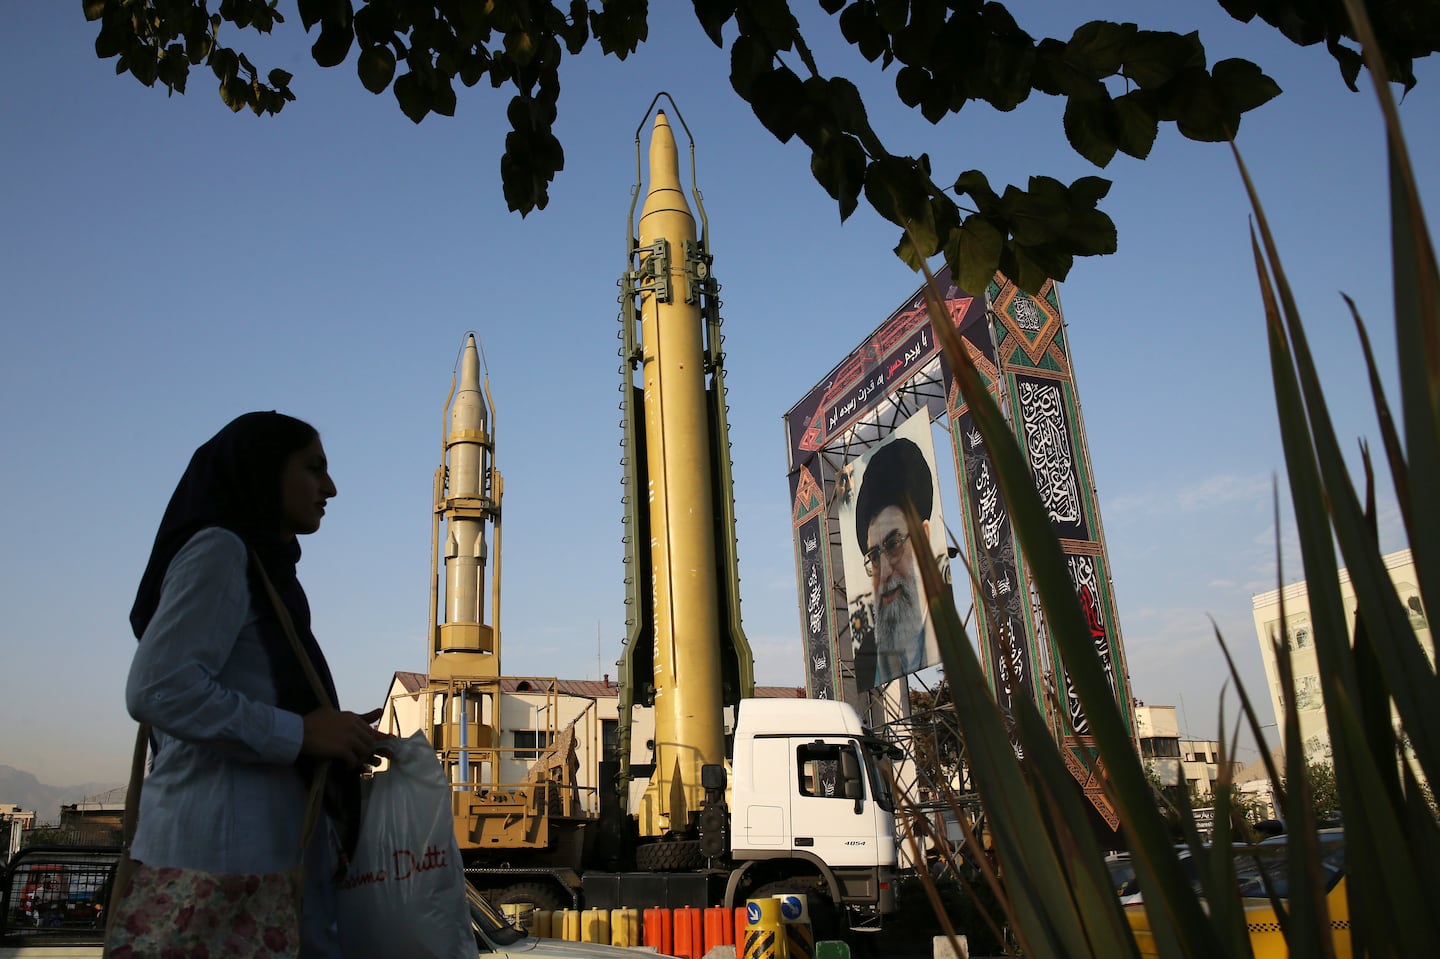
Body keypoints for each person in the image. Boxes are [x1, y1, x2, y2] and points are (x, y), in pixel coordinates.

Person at [125, 411, 388, 958]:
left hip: (258, 860)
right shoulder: (220, 550)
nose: (331, 488)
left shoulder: (266, 568)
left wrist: (331, 735)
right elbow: (159, 687)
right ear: (265, 469)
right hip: (221, 862)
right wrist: (300, 734)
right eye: (315, 469)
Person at [852, 436, 935, 690]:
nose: (885, 571)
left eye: (893, 545)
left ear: (924, 537)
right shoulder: (868, 656)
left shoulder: (948, 631)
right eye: (874, 557)